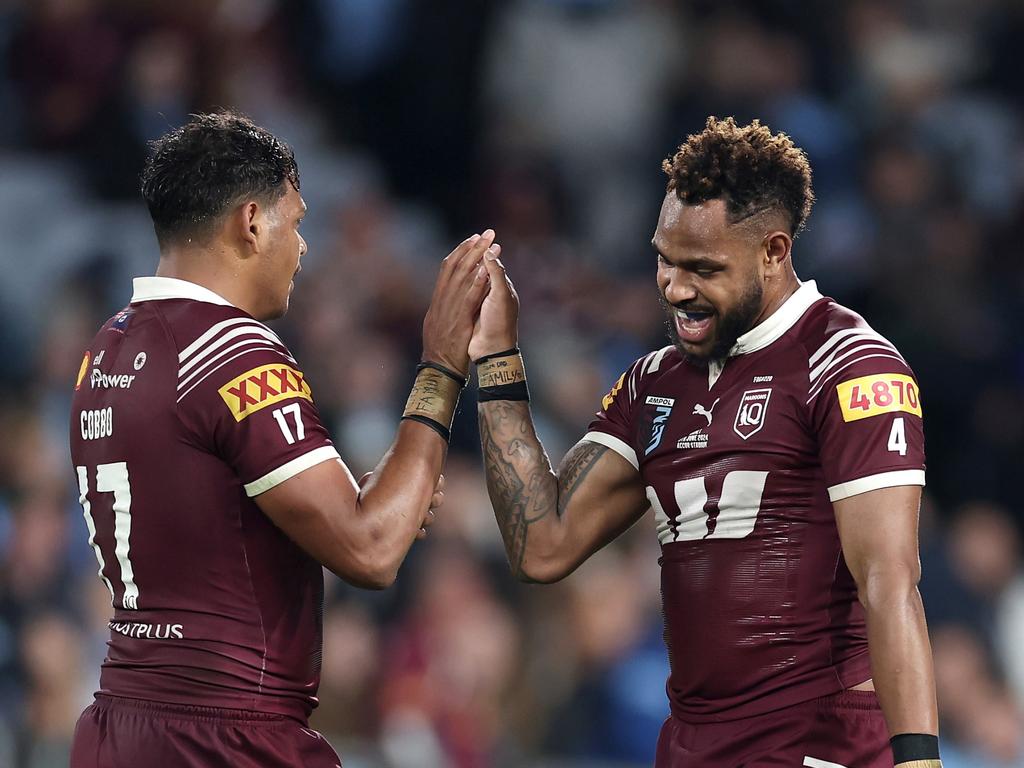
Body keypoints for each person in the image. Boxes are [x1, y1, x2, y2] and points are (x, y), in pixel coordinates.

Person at [471, 117, 942, 767]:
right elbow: (543, 544)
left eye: (703, 267)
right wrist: (497, 360)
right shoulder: (654, 382)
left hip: (817, 737)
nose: (674, 286)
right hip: (696, 740)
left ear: (774, 251)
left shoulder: (849, 365)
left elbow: (890, 582)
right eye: (664, 258)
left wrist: (918, 760)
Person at [68, 110, 496, 767]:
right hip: (225, 736)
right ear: (251, 222)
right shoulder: (235, 351)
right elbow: (373, 548)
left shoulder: (105, 351)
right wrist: (440, 365)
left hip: (117, 729)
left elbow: (218, 512)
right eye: (295, 223)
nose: (303, 247)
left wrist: (381, 494)